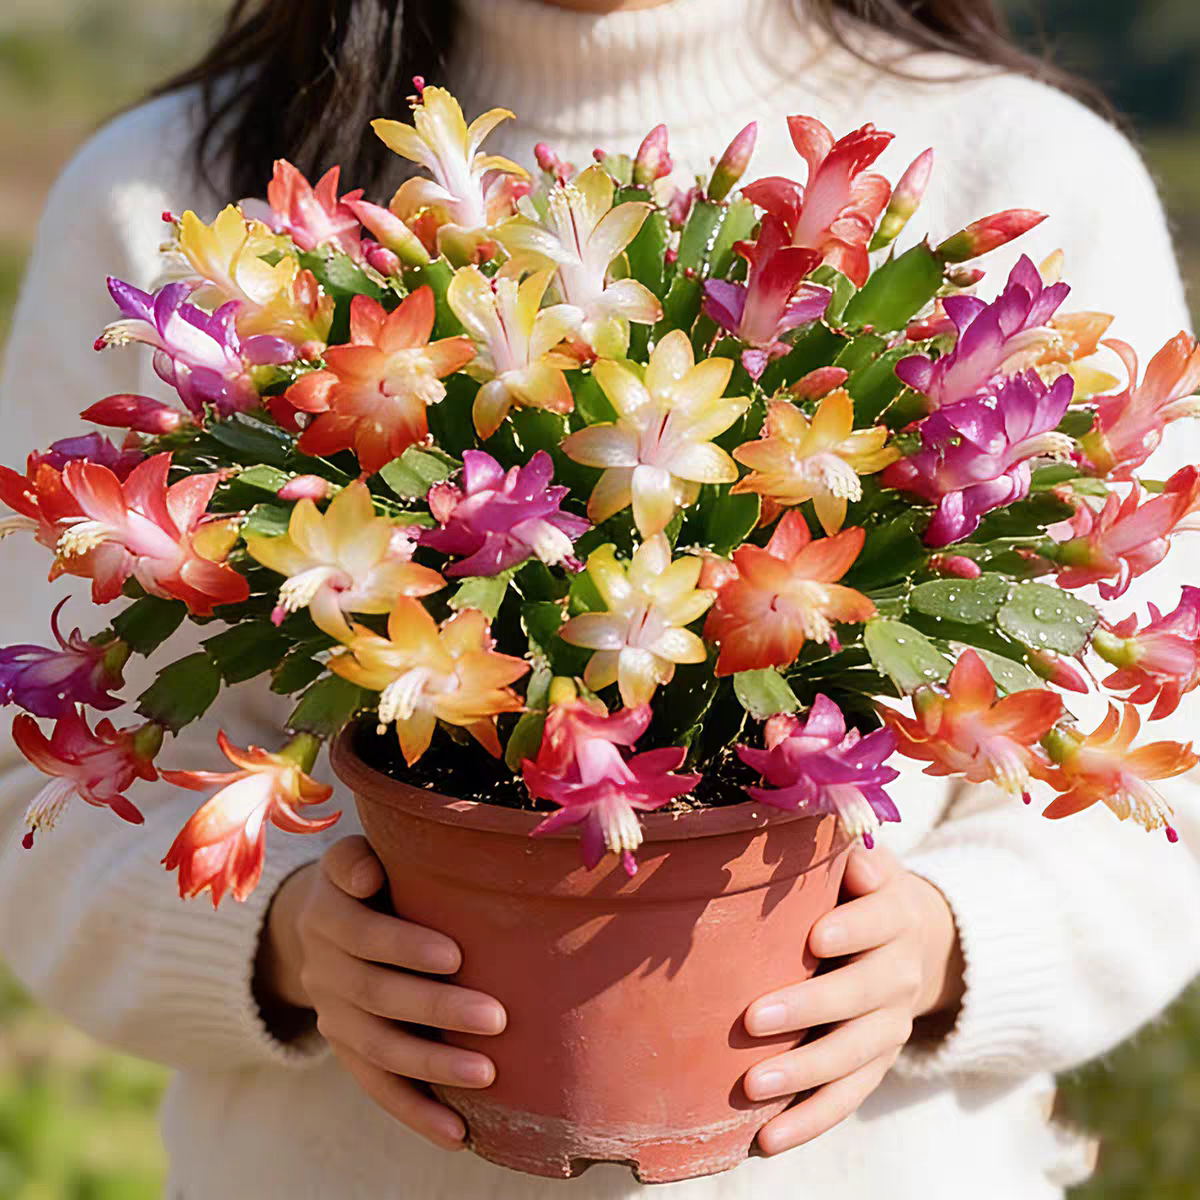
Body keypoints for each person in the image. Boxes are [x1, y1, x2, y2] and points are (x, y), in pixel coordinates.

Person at [1, 1, 1199, 1197]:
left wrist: (945, 947)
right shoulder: (158, 185)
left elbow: (1168, 815)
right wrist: (282, 945)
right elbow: (27, 802)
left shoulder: (1028, 159)